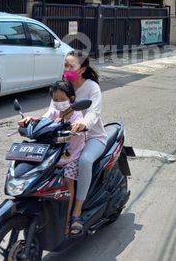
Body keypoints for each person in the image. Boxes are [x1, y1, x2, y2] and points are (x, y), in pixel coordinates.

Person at [19, 81, 85, 235]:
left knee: (68, 180)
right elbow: (44, 120)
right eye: (55, 100)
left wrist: (78, 126)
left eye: (62, 100)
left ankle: (69, 219)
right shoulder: (55, 111)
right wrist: (30, 120)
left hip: (72, 157)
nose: (58, 103)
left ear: (72, 98)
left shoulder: (76, 114)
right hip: (54, 155)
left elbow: (80, 124)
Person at [60, 50, 107, 235]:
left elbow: (94, 112)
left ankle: (77, 212)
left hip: (93, 137)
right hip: (69, 137)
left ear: (82, 69)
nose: (67, 69)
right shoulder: (64, 86)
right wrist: (34, 120)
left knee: (85, 161)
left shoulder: (91, 87)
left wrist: (83, 123)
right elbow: (53, 109)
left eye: (71, 66)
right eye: (65, 65)